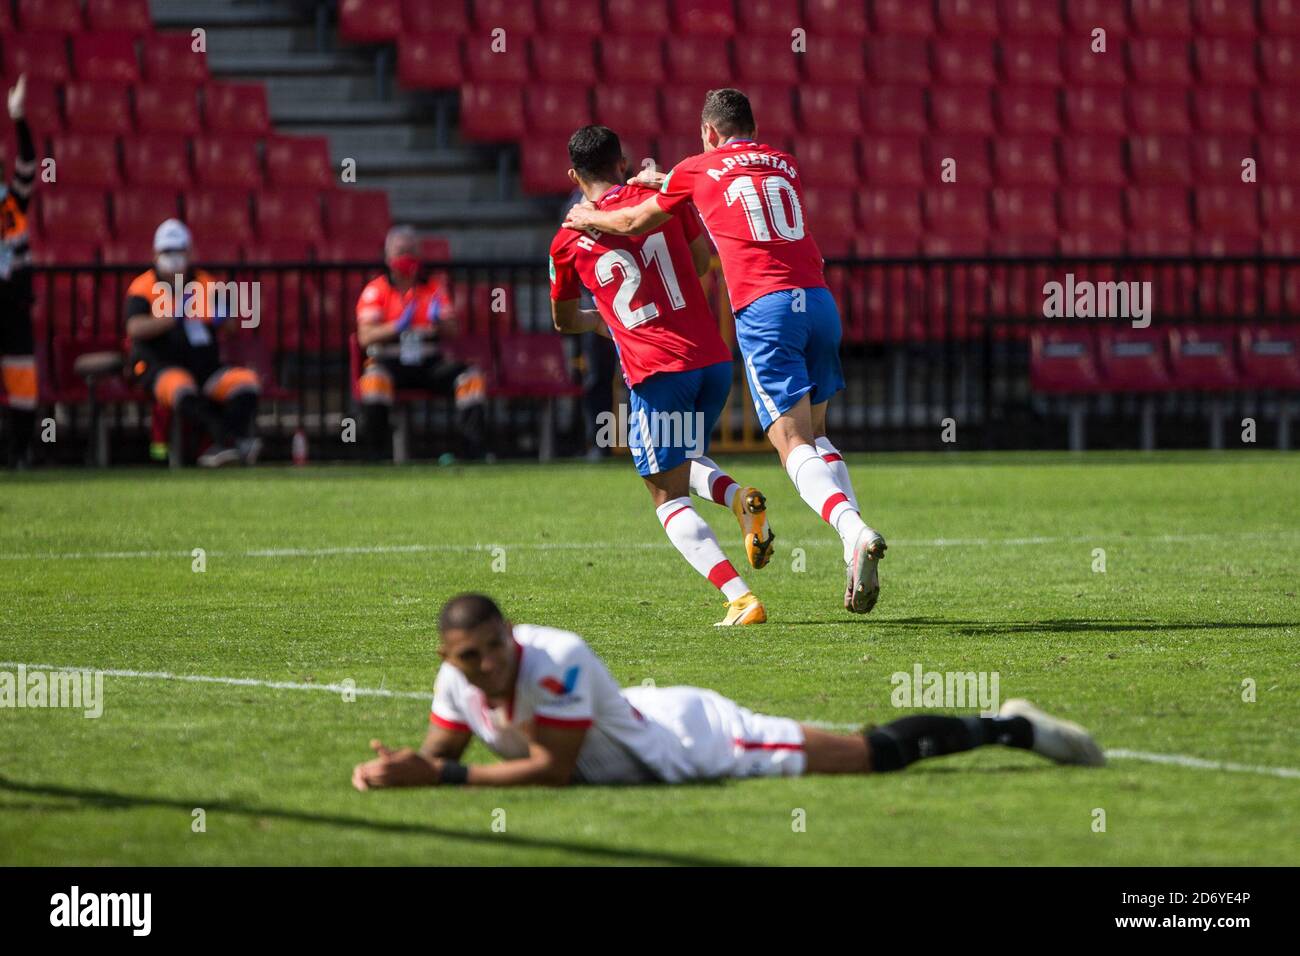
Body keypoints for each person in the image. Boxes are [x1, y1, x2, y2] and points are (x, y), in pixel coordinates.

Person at [564, 89, 886, 615]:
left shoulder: (695, 168)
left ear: (709, 134)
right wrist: (663, 180)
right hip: (820, 303)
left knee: (789, 442)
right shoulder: (783, 161)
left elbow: (630, 222)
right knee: (818, 434)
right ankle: (846, 542)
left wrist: (585, 219)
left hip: (763, 309)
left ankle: (852, 532)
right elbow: (729, 194)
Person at [351, 594, 1104, 790]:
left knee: (867, 756)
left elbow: (549, 770)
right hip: (649, 734)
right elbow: (437, 750)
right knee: (861, 752)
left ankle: (1012, 728)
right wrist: (403, 767)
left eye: (487, 652)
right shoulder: (457, 678)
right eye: (464, 659)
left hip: (694, 741)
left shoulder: (557, 658)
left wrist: (443, 777)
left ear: (508, 636)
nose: (479, 669)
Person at [550, 126, 774, 626]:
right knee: (683, 455)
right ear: (622, 162)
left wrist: (612, 319)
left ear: (573, 175)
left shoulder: (566, 239)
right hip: (712, 361)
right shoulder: (663, 197)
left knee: (664, 494)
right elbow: (700, 264)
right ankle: (739, 499)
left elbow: (565, 321)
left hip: (656, 371)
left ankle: (740, 598)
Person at [124, 219, 261, 467]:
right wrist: (172, 317)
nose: (173, 258)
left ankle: (222, 445)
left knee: (246, 384)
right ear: (155, 254)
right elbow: (135, 327)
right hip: (161, 365)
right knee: (182, 389)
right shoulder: (143, 286)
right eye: (167, 252)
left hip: (206, 367)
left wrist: (219, 315)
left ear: (189, 252)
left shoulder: (206, 283)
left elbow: (231, 326)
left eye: (178, 251)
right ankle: (225, 441)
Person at [355, 226, 486, 461]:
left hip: (428, 362)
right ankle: (376, 457)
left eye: (411, 251)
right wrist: (396, 326)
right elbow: (365, 336)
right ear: (387, 257)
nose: (406, 257)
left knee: (471, 379)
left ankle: (473, 454)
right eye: (400, 251)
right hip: (390, 361)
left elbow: (453, 330)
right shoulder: (376, 290)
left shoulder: (433, 288)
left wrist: (439, 322)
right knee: (373, 382)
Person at [0, 75, 37, 468]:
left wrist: (18, 118)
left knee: (22, 378)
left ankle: (21, 451)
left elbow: (28, 163)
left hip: (13, 303)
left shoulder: (12, 204)